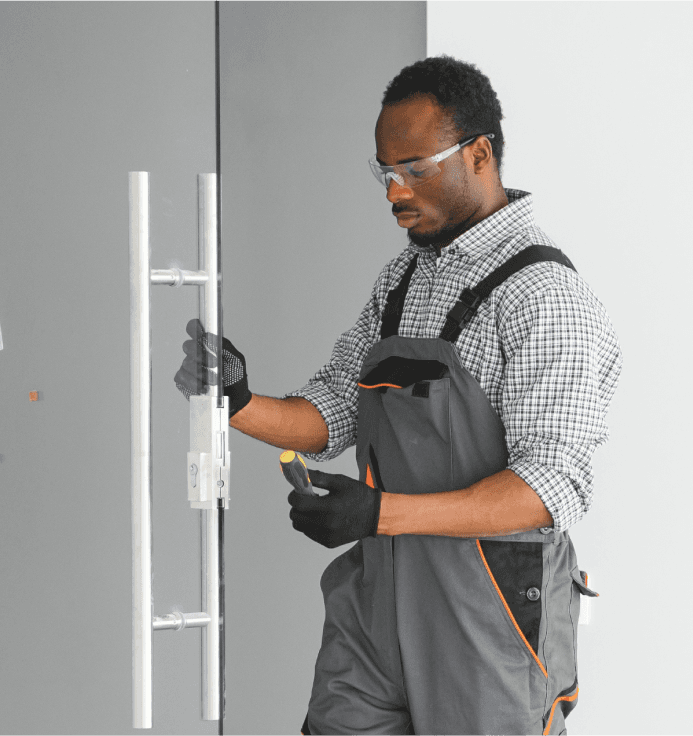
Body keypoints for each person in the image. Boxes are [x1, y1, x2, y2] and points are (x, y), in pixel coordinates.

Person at [175, 55, 622, 736]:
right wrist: (237, 400)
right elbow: (334, 409)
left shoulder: (543, 297)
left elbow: (548, 486)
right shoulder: (403, 279)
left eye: (416, 169)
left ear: (478, 154)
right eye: (385, 172)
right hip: (379, 600)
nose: (394, 192)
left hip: (488, 612)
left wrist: (379, 512)